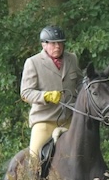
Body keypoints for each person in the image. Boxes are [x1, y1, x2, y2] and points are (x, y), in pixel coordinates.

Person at [20, 25, 83, 159]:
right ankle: (33, 173)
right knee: (34, 159)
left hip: (70, 119)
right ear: (44, 44)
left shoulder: (72, 58)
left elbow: (80, 82)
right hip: (45, 120)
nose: (58, 46)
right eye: (53, 43)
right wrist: (46, 96)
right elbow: (25, 93)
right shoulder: (33, 62)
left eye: (60, 43)